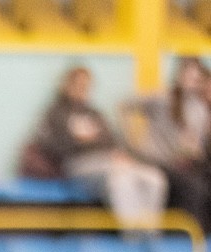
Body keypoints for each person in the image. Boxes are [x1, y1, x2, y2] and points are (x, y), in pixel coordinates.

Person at [33, 64, 167, 232]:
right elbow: (52, 147)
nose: (82, 89)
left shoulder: (95, 114)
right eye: (78, 84)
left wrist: (116, 153)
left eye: (86, 85)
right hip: (78, 165)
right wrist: (81, 141)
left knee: (154, 178)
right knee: (120, 179)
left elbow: (111, 141)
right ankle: (132, 235)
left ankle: (149, 234)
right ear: (67, 84)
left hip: (108, 161)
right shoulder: (56, 114)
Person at [122, 58, 210, 230]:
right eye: (189, 76)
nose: (192, 82)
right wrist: (129, 141)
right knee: (193, 188)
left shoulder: (199, 108)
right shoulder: (162, 99)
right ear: (179, 76)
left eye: (196, 78)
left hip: (182, 164)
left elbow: (196, 148)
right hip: (157, 162)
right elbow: (125, 105)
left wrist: (192, 149)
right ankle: (189, 234)